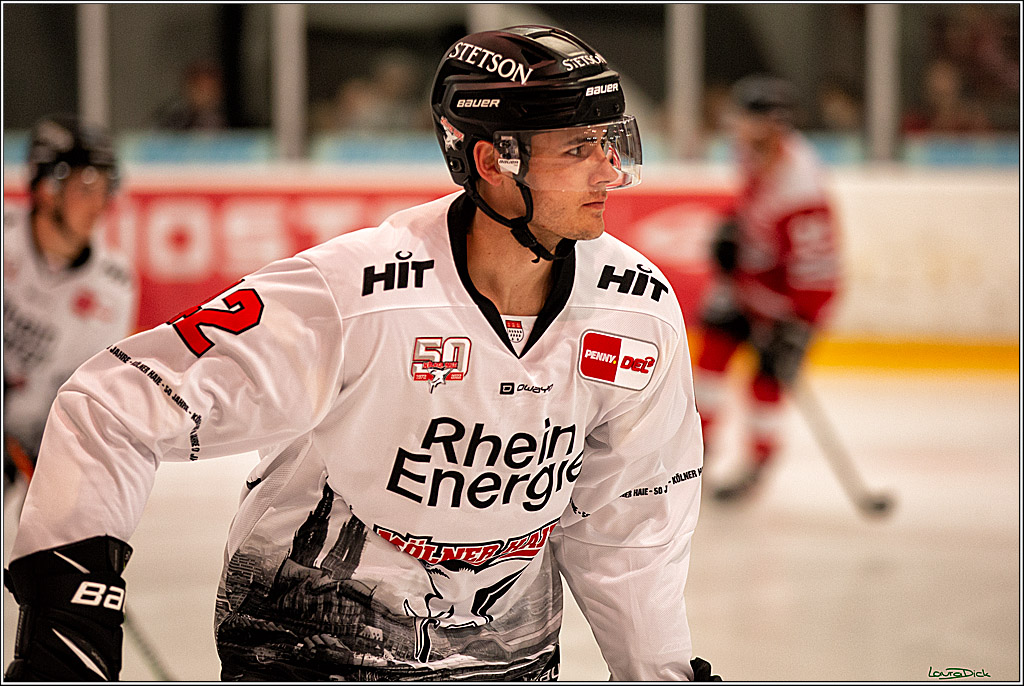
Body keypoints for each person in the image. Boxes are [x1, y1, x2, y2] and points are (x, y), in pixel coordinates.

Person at [4, 26, 719, 681]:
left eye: (607, 140)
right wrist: (71, 612)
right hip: (309, 645)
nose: (610, 171)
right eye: (577, 148)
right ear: (492, 161)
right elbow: (113, 405)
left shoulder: (636, 310)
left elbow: (630, 527)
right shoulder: (355, 293)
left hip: (503, 660)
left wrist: (661, 673)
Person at [694, 75, 840, 501]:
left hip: (788, 301)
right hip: (749, 283)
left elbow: (817, 267)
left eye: (744, 118)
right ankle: (694, 454)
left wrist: (799, 322)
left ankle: (759, 461)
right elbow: (751, 204)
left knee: (766, 384)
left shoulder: (803, 187)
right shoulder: (749, 153)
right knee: (711, 358)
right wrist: (734, 232)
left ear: (770, 124)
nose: (735, 126)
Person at [3, 114, 138, 501]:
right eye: (87, 185)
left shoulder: (112, 286)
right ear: (47, 188)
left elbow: (86, 390)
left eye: (107, 187)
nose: (101, 203)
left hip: (44, 434)